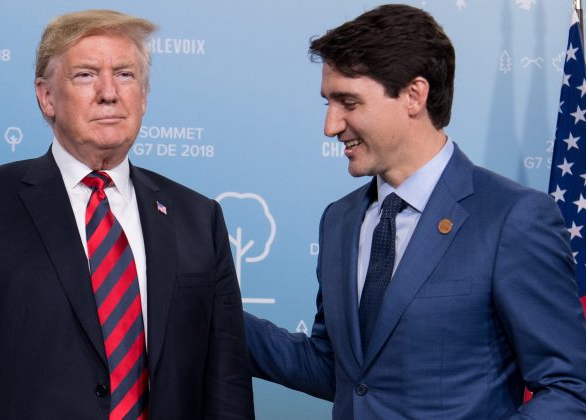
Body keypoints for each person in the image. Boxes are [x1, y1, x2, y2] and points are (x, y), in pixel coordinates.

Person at [0, 10, 253, 420]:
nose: (109, 92)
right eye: (85, 75)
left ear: (145, 96)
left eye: (126, 75)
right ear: (46, 97)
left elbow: (228, 389)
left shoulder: (199, 218)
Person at [245, 4, 586, 418]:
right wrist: (213, 310)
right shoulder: (340, 220)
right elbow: (340, 370)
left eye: (348, 102)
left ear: (413, 95)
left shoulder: (511, 218)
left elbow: (568, 388)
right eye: (328, 103)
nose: (331, 125)